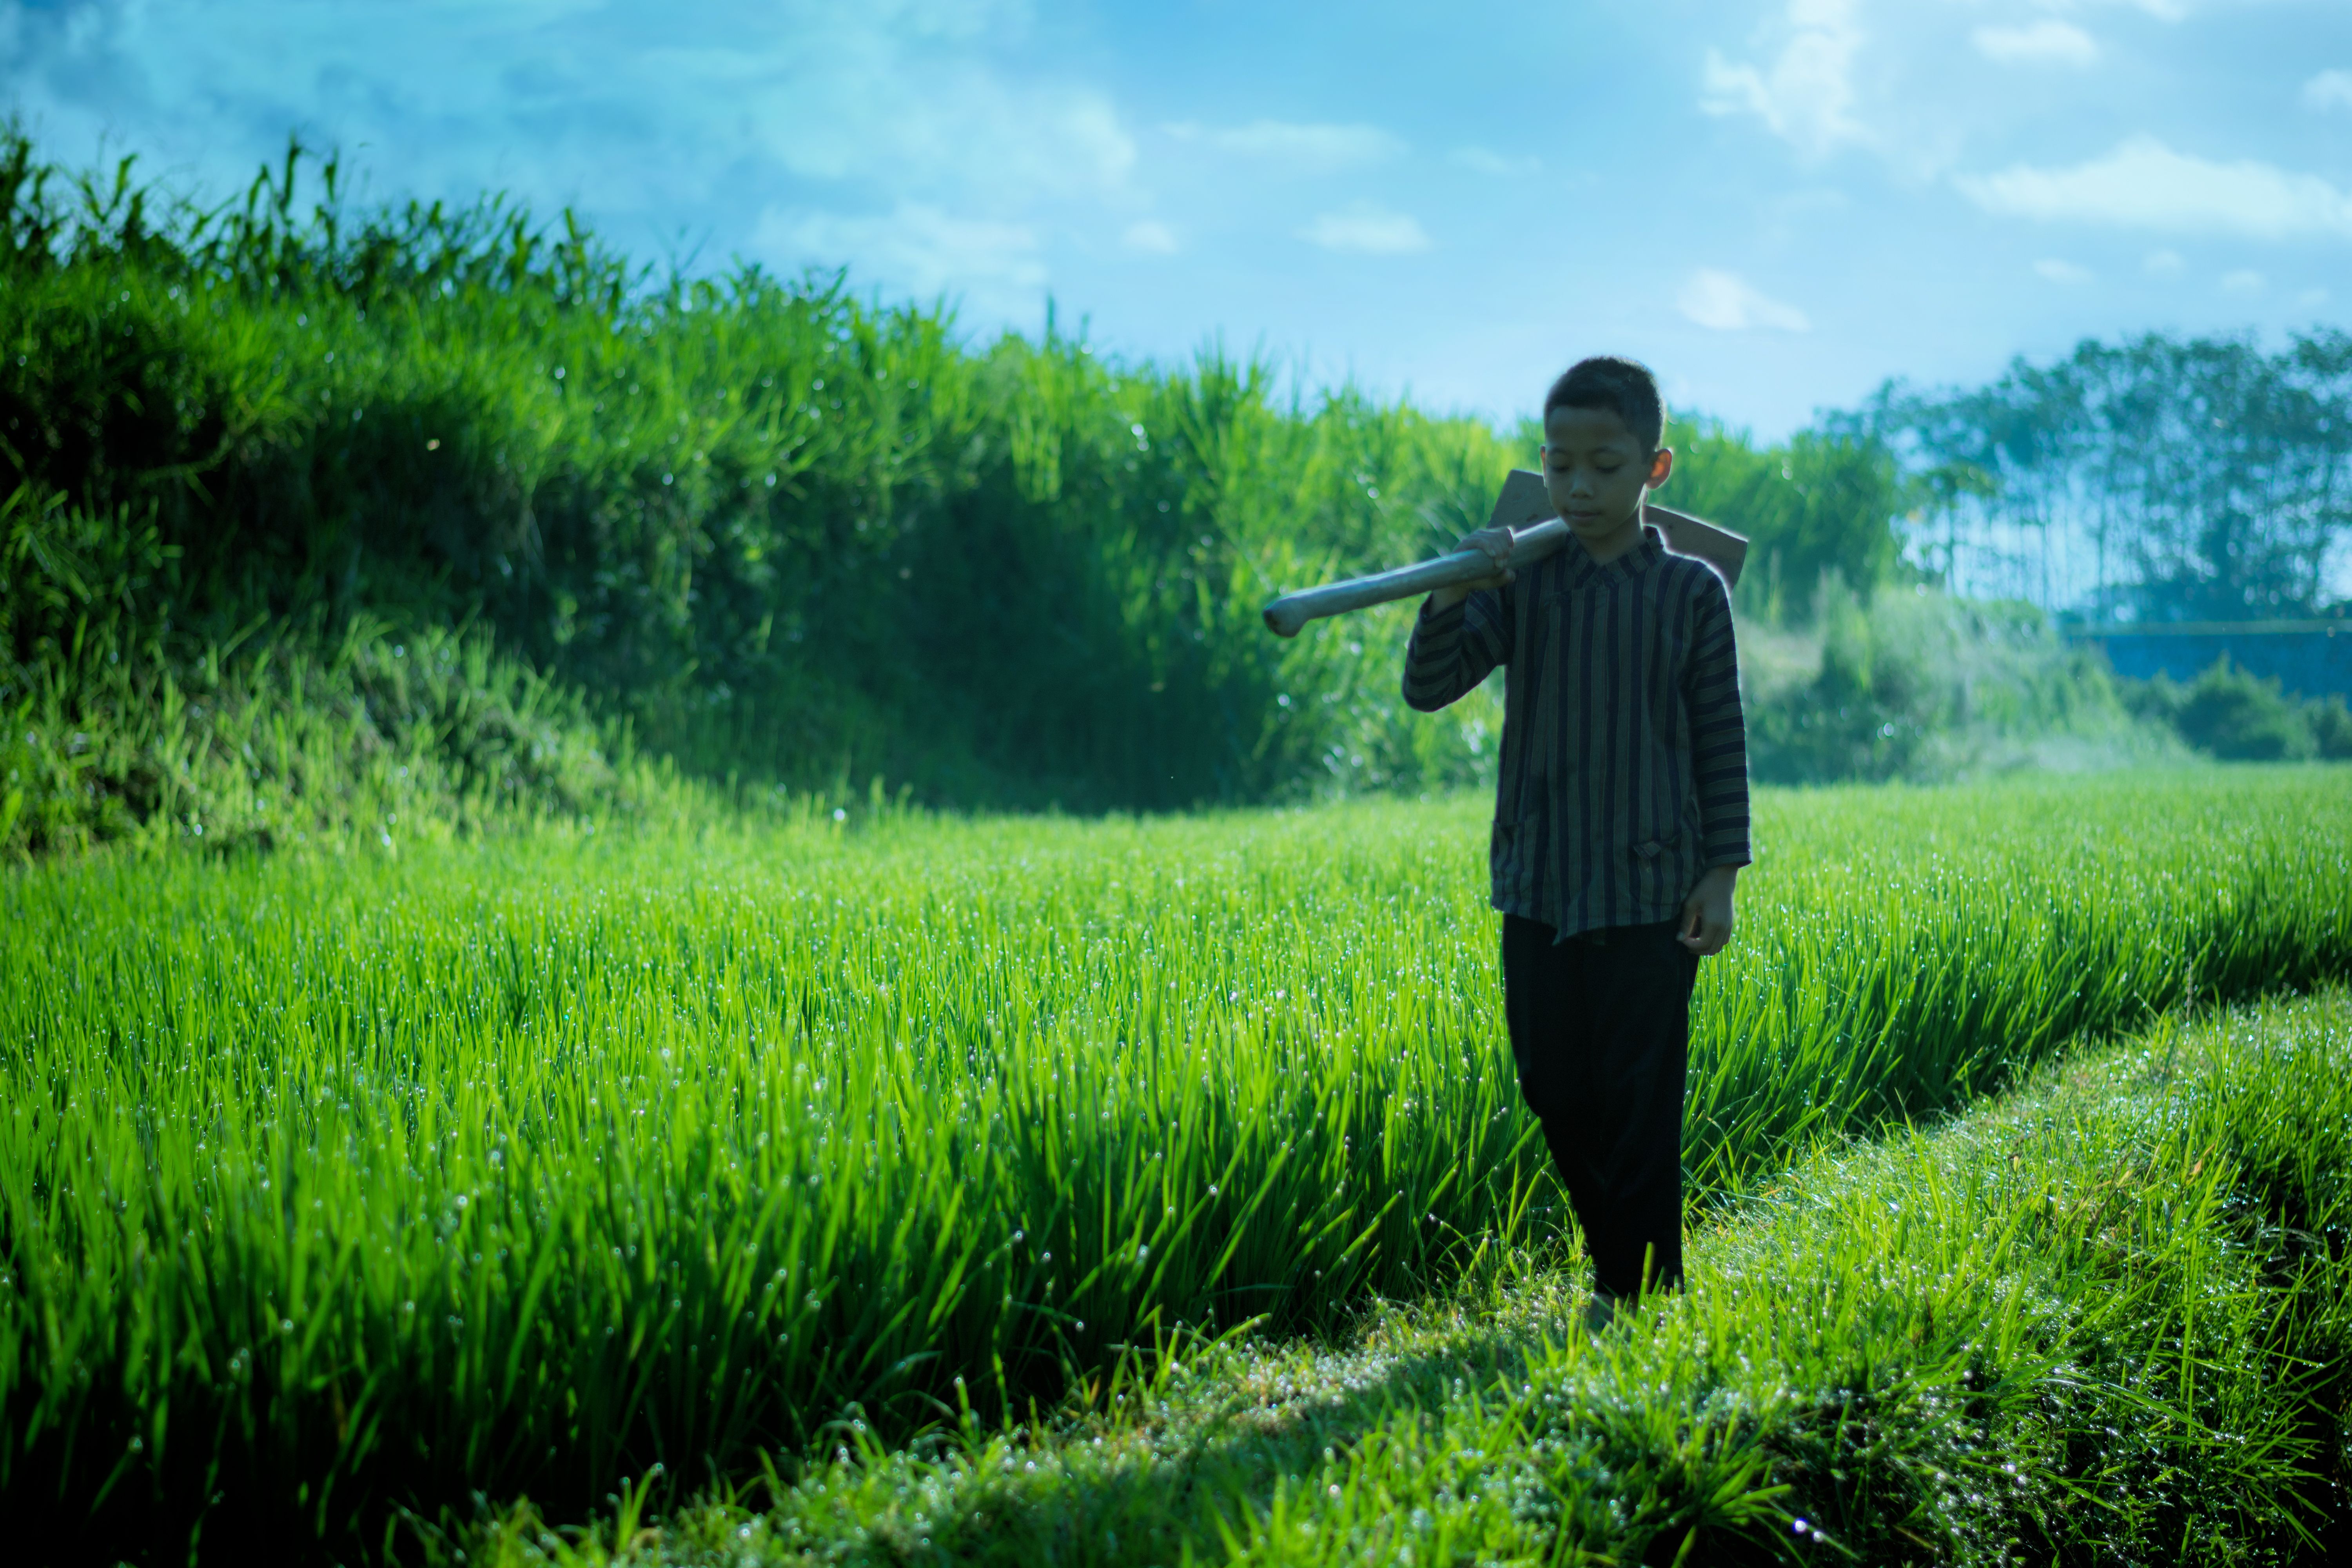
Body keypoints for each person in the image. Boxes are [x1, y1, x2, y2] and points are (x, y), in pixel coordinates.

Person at [1402, 355, 1750, 1328]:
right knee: (1555, 1084)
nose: (1579, 486)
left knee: (1640, 1101)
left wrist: (1721, 873)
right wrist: (1450, 592)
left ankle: (1633, 1291)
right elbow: (1431, 688)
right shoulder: (1526, 586)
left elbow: (1721, 740)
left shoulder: (1689, 594)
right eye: (1561, 465)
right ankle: (1632, 1274)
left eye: (1605, 464)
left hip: (1650, 889)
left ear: (1655, 469)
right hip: (1541, 881)